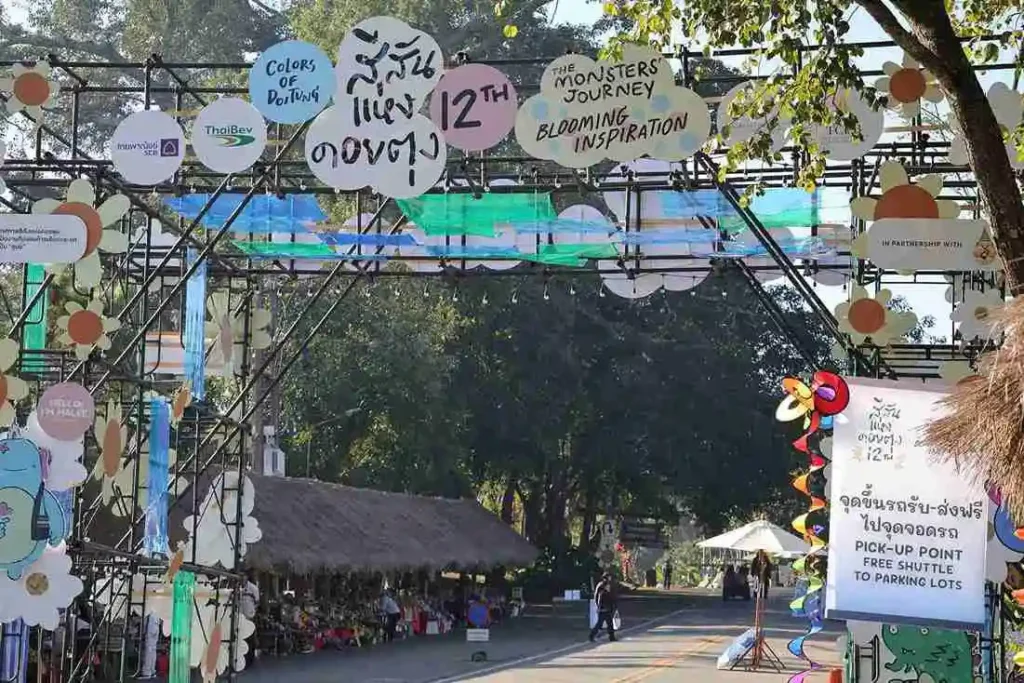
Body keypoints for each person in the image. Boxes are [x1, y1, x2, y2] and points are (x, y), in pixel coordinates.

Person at [588, 574, 618, 643]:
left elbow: (611, 596)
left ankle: (612, 637)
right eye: (609, 577)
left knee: (610, 623)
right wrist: (599, 606)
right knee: (600, 624)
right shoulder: (602, 586)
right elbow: (599, 598)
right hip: (603, 608)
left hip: (607, 607)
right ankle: (591, 636)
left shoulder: (606, 585)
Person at [240, 573, 260, 666]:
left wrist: (252, 612)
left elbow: (257, 602)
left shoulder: (253, 588)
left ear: (246, 577)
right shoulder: (236, 586)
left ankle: (250, 660)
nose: (242, 577)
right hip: (239, 617)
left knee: (249, 639)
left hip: (249, 617)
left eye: (243, 576)